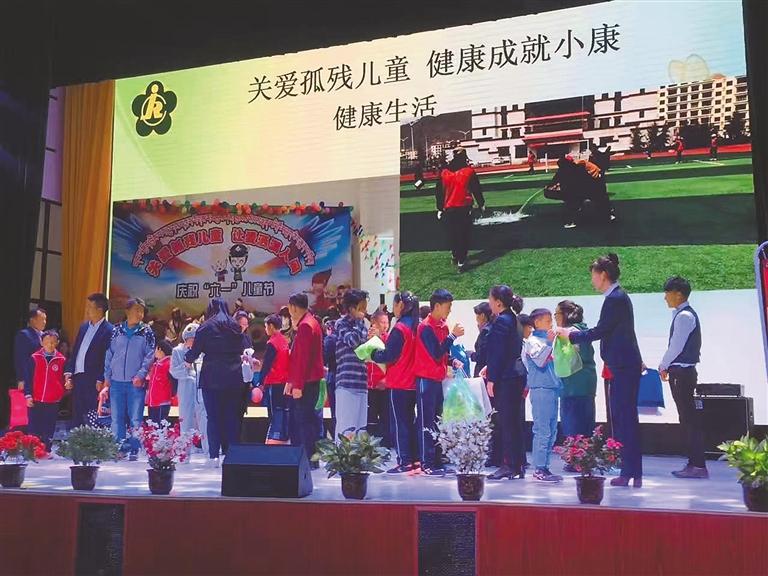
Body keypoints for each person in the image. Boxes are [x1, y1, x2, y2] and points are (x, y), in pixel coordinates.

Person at [554, 254, 644, 487]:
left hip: (623, 366)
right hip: (623, 365)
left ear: (603, 275)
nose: (592, 280)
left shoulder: (615, 299)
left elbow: (601, 331)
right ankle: (631, 471)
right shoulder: (617, 297)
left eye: (593, 275)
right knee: (624, 418)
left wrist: (571, 334)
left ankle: (630, 471)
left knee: (625, 419)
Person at [185, 298, 250, 467]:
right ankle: (231, 454)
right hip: (234, 378)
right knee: (232, 417)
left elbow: (195, 352)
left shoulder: (205, 327)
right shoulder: (235, 326)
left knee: (213, 417)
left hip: (212, 378)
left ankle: (214, 456)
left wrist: (187, 358)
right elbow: (243, 348)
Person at [659, 276, 707, 479]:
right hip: (682, 373)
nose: (665, 297)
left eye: (667, 293)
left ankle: (697, 464)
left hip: (682, 373)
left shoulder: (684, 316)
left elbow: (676, 346)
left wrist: (663, 365)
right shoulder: (681, 315)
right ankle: (694, 463)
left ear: (679, 294)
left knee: (688, 419)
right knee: (686, 418)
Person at [414, 289, 464, 475]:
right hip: (425, 379)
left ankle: (436, 460)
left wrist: (452, 360)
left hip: (437, 379)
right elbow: (435, 352)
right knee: (426, 422)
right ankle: (426, 462)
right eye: (448, 306)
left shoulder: (443, 326)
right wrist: (452, 337)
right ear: (437, 306)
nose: (449, 310)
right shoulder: (425, 327)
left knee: (437, 421)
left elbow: (442, 353)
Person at [372, 291, 420, 473]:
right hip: (413, 382)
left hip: (399, 381)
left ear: (400, 304)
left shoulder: (400, 328)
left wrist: (373, 353)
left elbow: (389, 355)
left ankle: (404, 461)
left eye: (394, 305)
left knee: (400, 424)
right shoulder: (417, 326)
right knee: (410, 421)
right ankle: (415, 459)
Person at [102, 298, 156, 461]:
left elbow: (149, 355)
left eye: (142, 311)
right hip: (116, 381)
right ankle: (118, 448)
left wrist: (141, 375)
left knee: (135, 418)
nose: (139, 314)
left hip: (135, 383)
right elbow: (109, 354)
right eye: (136, 310)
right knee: (116, 417)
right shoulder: (117, 330)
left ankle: (134, 448)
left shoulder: (146, 332)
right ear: (127, 311)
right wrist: (107, 377)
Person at [484, 285, 526, 480]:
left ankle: (508, 464)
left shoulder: (502, 321)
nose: (489, 304)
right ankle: (518, 464)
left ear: (498, 302)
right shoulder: (514, 319)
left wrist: (492, 378)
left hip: (506, 377)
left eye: (491, 300)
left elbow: (498, 353)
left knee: (507, 422)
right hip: (516, 374)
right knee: (515, 422)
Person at [523, 309, 563, 483]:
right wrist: (550, 342)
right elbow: (540, 361)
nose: (551, 324)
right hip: (540, 389)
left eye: (550, 321)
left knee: (552, 430)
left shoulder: (547, 340)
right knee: (542, 430)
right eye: (547, 321)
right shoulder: (532, 341)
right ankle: (539, 468)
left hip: (552, 388)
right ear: (537, 322)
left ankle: (545, 466)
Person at [286, 293, 324, 465]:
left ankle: (307, 459)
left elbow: (302, 359)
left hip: (307, 382)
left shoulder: (306, 326)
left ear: (294, 307)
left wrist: (298, 385)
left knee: (304, 422)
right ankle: (310, 459)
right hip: (309, 380)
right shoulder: (310, 322)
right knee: (309, 421)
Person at [65, 293, 113, 428]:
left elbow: (107, 357)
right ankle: (76, 437)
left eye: (90, 307)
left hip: (94, 380)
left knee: (92, 414)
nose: (87, 310)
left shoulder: (109, 330)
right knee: (77, 413)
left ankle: (92, 439)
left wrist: (100, 378)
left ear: (100, 310)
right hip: (78, 376)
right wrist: (69, 372)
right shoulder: (84, 327)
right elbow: (75, 351)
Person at [434, 147, 485, 272]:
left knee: (452, 233)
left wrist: (440, 208)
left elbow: (439, 192)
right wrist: (481, 204)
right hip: (464, 207)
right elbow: (476, 189)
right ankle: (461, 261)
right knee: (463, 234)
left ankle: (455, 255)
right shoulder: (469, 171)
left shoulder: (444, 172)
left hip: (449, 207)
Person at [555, 300, 597, 445]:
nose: (555, 318)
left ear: (565, 315)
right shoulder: (583, 330)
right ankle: (584, 455)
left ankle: (574, 456)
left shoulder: (568, 333)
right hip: (587, 384)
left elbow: (566, 357)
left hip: (572, 385)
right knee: (586, 428)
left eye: (557, 314)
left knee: (572, 429)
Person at [333, 289, 371, 439]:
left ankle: (359, 455)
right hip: (346, 383)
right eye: (361, 308)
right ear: (351, 309)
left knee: (360, 430)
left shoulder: (363, 326)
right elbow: (353, 341)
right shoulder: (341, 324)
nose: (364, 311)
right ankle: (341, 455)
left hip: (362, 383)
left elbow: (366, 352)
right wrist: (358, 322)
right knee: (346, 429)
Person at [25, 330, 69, 450]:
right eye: (47, 342)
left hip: (53, 400)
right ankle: (32, 450)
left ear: (57, 343)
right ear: (41, 342)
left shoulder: (61, 359)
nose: (50, 345)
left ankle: (46, 449)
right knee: (34, 426)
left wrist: (61, 392)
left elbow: (64, 378)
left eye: (53, 342)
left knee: (49, 426)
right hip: (36, 399)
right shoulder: (34, 358)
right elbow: (28, 378)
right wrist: (28, 395)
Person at [170, 323, 209, 459]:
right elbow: (174, 371)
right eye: (191, 339)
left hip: (200, 390)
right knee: (185, 421)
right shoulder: (177, 351)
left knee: (204, 420)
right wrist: (186, 366)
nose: (193, 342)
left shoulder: (203, 353)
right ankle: (184, 454)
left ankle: (208, 452)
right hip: (185, 389)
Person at [259, 314, 291, 445]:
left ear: (271, 326)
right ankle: (282, 438)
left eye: (266, 326)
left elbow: (267, 364)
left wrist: (260, 381)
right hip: (284, 382)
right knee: (282, 411)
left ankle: (273, 438)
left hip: (274, 382)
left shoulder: (272, 343)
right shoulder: (284, 341)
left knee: (274, 413)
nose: (265, 329)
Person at [367, 309, 390, 446]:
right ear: (373, 322)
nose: (385, 325)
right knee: (370, 418)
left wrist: (386, 380)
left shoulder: (389, 339)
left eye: (387, 322)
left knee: (385, 417)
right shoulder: (365, 337)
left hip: (384, 385)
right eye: (382, 322)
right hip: (368, 386)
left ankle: (386, 445)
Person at [14, 308, 47, 393]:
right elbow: (21, 358)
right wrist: (21, 379)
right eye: (42, 319)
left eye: (45, 319)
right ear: (33, 320)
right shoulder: (24, 334)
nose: (44, 322)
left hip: (43, 377)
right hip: (29, 377)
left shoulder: (46, 336)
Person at [146, 340, 173, 423]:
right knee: (152, 425)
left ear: (160, 349)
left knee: (160, 424)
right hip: (152, 401)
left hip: (162, 401)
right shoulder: (156, 364)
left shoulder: (168, 364)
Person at [323, 319, 338, 434]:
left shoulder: (329, 339)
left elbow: (325, 357)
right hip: (343, 376)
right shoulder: (343, 338)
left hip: (333, 376)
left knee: (334, 410)